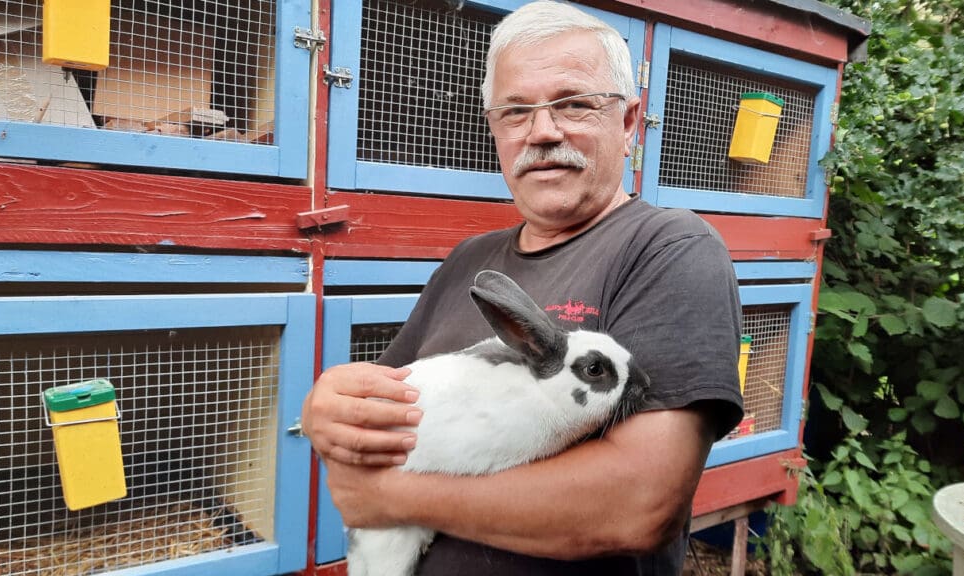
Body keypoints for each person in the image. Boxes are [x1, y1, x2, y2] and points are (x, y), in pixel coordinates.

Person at [301, 1, 744, 574]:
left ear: (629, 123)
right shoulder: (470, 262)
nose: (541, 132)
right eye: (514, 113)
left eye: (574, 104)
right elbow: (388, 405)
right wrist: (328, 408)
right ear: (495, 130)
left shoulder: (669, 249)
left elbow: (638, 506)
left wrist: (391, 496)